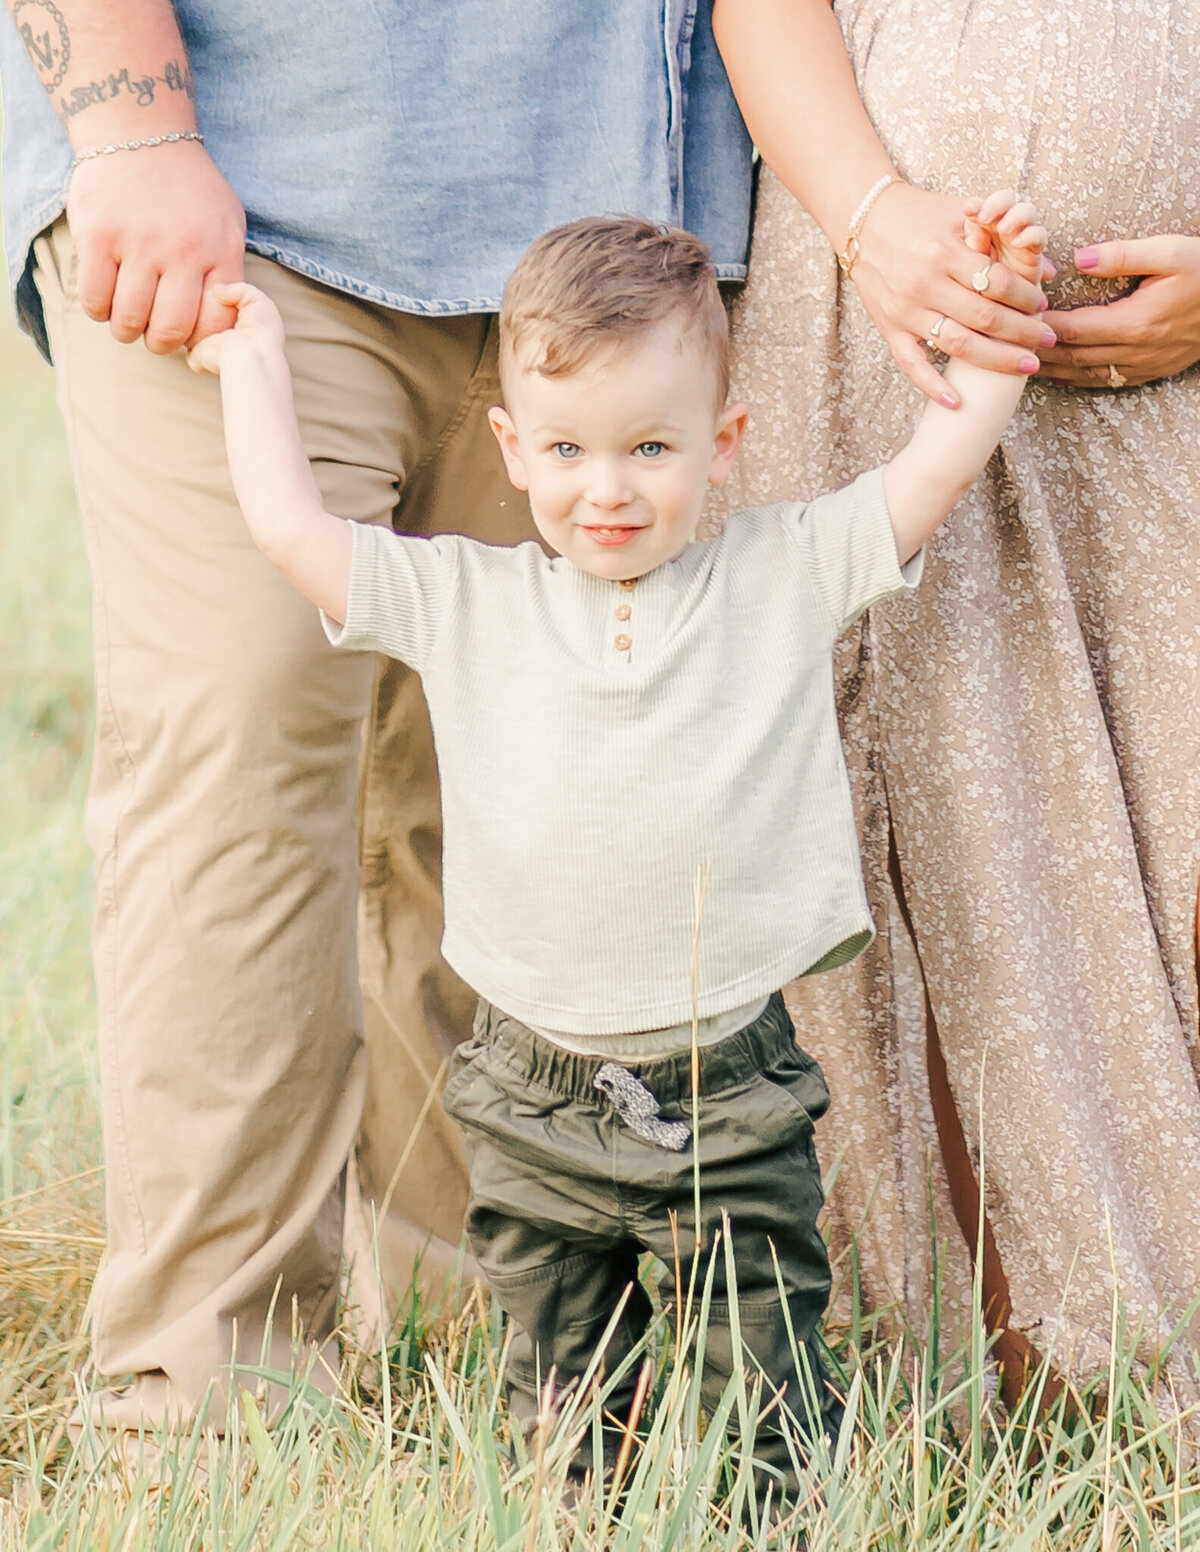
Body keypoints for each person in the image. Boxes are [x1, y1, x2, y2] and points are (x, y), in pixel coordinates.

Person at [189, 200, 1047, 1488]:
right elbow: (294, 533)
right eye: (570, 449)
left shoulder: (779, 573)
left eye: (652, 446)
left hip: (727, 1082)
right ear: (513, 451)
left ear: (724, 443)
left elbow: (935, 467)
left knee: (764, 1379)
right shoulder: (467, 599)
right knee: (563, 1385)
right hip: (532, 1081)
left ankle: (764, 1505)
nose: (609, 487)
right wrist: (253, 363)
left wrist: (998, 321)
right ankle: (584, 1501)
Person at [0, 0, 754, 1436]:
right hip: (258, 187)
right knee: (238, 762)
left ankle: (497, 1341)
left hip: (611, 232)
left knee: (506, 786)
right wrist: (131, 123)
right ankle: (210, 1398)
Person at [711, 0, 1200, 1396]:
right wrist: (876, 216)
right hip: (885, 305)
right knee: (965, 831)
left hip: (1178, 372)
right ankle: (1040, 1372)